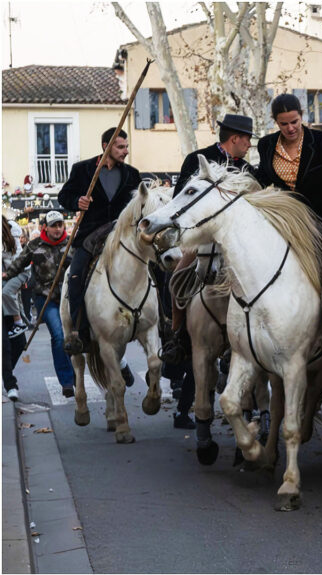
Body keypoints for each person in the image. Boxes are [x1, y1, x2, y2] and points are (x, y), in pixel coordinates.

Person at [160, 114, 256, 366]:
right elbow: (181, 197)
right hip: (203, 236)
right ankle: (177, 336)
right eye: (247, 140)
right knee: (178, 278)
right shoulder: (196, 159)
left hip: (237, 241)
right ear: (235, 138)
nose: (249, 145)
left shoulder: (247, 169)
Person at [58, 127, 142, 355]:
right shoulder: (82, 169)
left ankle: (161, 325)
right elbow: (63, 196)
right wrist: (78, 201)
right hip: (90, 236)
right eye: (120, 147)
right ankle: (79, 332)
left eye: (126, 147)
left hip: (122, 235)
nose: (125, 151)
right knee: (75, 277)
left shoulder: (132, 174)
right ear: (106, 146)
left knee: (155, 268)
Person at [255, 94, 322, 248]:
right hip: (289, 219)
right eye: (283, 124)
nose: (290, 128)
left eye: (294, 122)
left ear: (302, 116)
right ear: (275, 121)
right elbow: (261, 179)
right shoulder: (266, 145)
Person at [3, 211, 75, 397]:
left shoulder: (72, 244)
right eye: (54, 225)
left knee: (78, 336)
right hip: (46, 297)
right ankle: (67, 381)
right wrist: (7, 275)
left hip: (70, 297)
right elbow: (19, 262)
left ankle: (118, 365)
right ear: (45, 227)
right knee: (58, 335)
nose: (58, 229)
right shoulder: (35, 245)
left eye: (60, 225)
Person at [2, 217, 27, 400]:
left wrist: (10, 275)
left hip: (9, 295)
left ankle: (6, 372)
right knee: (4, 345)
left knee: (19, 342)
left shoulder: (11, 230)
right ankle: (10, 384)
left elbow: (19, 261)